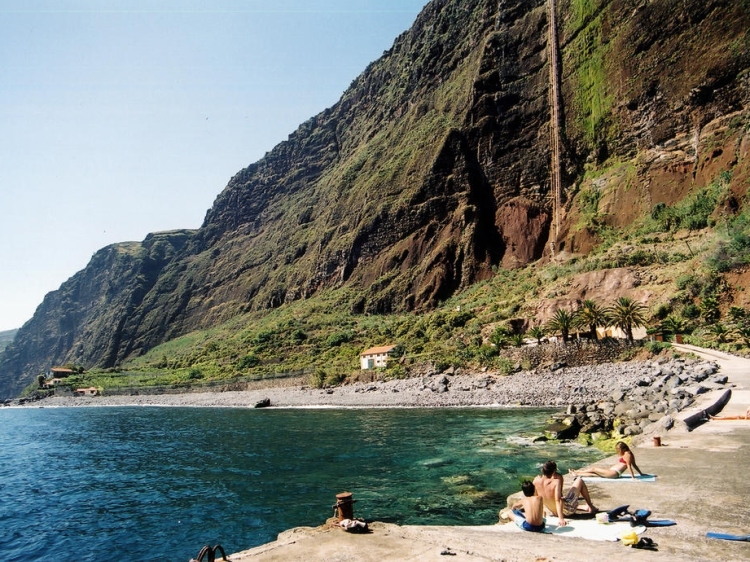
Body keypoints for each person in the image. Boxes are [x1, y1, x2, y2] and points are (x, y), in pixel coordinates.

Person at [533, 460, 596, 527]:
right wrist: (561, 519)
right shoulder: (556, 482)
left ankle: (583, 507)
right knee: (579, 481)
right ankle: (590, 507)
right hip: (567, 511)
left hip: (554, 512)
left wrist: (541, 514)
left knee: (563, 498)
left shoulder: (535, 480)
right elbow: (558, 500)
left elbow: (535, 499)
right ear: (554, 471)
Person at [570, 441, 644, 480]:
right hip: (613, 472)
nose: (618, 451)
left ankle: (576, 472)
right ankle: (577, 474)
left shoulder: (627, 454)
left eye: (619, 450)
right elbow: (634, 465)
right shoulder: (628, 453)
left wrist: (633, 477)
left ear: (624, 448)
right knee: (594, 474)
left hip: (614, 473)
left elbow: (629, 466)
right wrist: (641, 474)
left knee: (593, 469)